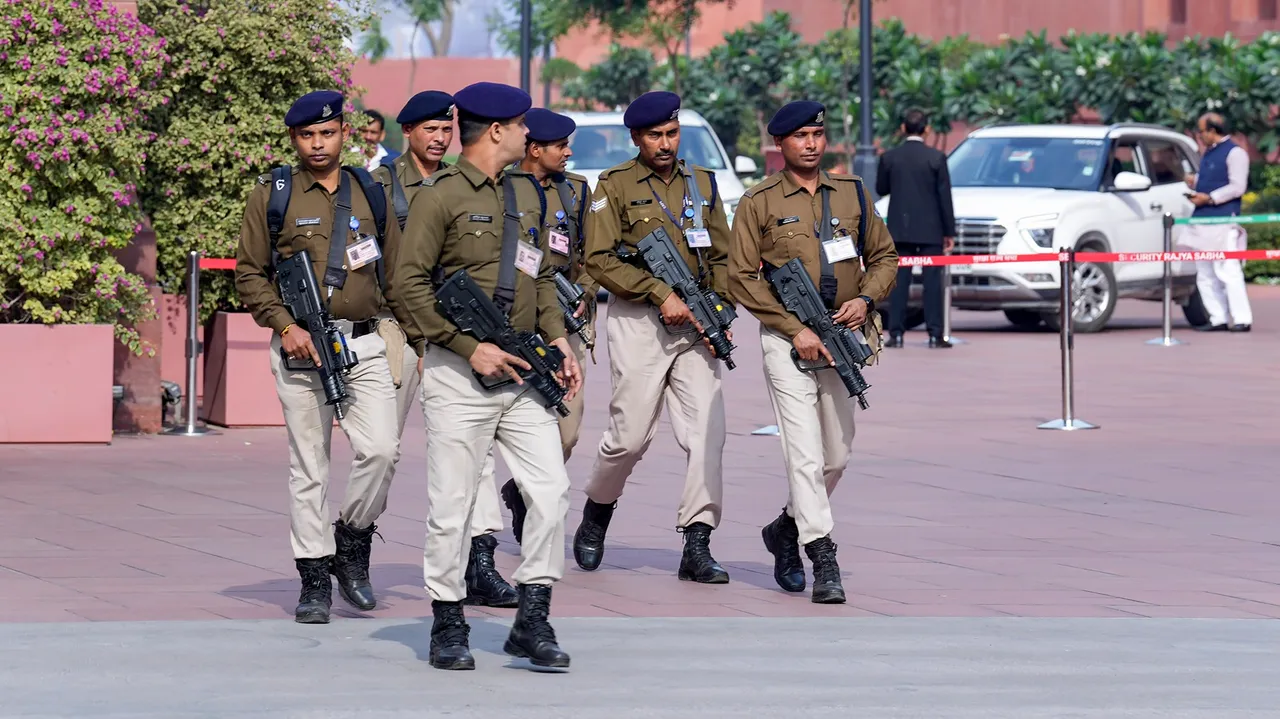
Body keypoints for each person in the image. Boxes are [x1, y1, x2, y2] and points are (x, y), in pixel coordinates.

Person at [383, 81, 582, 671]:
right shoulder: (438, 195)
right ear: (496, 130)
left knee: (550, 492)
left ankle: (532, 617)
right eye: (522, 126)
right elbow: (407, 286)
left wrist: (558, 337)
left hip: (522, 372)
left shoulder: (525, 192)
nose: (530, 134)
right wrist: (468, 347)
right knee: (452, 503)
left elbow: (541, 274)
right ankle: (448, 622)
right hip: (459, 375)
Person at [234, 90, 402, 624]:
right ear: (294, 139)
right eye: (307, 136)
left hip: (365, 342)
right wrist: (284, 326)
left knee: (382, 450)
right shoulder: (273, 195)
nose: (317, 144)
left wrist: (416, 337)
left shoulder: (370, 190)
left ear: (343, 134)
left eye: (326, 134)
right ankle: (313, 577)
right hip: (301, 346)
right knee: (309, 467)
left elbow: (396, 272)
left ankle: (351, 540)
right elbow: (249, 274)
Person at [729, 101, 899, 604]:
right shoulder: (757, 201)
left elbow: (885, 256)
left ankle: (785, 528)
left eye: (817, 134)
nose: (810, 143)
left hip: (844, 335)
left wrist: (866, 298)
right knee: (802, 453)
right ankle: (822, 555)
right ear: (779, 144)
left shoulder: (853, 193)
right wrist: (789, 326)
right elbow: (741, 276)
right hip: (788, 340)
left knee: (837, 455)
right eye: (800, 135)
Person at [576, 90, 733, 584]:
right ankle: (597, 512)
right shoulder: (615, 185)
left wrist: (720, 312)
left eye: (671, 133)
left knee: (707, 433)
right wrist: (655, 291)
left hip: (696, 325)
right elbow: (598, 259)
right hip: (641, 321)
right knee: (629, 438)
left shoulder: (702, 183)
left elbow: (725, 258)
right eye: (654, 136)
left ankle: (698, 540)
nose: (665, 143)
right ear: (636, 138)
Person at [372, 90, 519, 609]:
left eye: (445, 130)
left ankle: (480, 562)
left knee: (473, 455)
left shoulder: (474, 185)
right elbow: (383, 265)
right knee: (381, 449)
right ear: (406, 132)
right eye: (428, 130)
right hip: (397, 325)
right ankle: (356, 537)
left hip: (456, 332)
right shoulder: (382, 185)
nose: (438, 138)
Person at [496, 107, 597, 546]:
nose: (568, 153)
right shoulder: (503, 188)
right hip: (517, 327)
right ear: (534, 149)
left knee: (567, 430)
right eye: (561, 146)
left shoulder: (575, 191)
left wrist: (586, 294)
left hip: (564, 327)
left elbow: (594, 255)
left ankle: (520, 491)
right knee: (520, 424)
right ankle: (537, 509)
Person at [875, 107, 955, 348]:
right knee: (933, 283)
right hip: (931, 230)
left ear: (903, 128)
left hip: (901, 229)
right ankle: (935, 334)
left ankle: (896, 334)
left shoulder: (889, 157)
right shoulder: (936, 158)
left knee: (899, 282)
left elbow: (881, 188)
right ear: (927, 129)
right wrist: (948, 232)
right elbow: (945, 198)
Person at [1182, 111, 1252, 332]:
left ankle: (1241, 318)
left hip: (1223, 218)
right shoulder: (1209, 153)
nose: (1199, 136)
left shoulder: (1235, 153)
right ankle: (1217, 318)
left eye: (1201, 131)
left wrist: (1211, 198)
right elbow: (1213, 180)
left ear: (1212, 130)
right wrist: (1196, 183)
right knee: (1204, 273)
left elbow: (1237, 186)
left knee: (1228, 269)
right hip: (1202, 218)